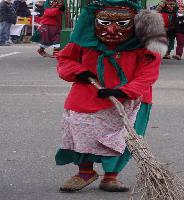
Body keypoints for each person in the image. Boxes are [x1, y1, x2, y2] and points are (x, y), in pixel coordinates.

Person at [55, 0, 167, 193]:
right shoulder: (83, 41)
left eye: (122, 24)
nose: (112, 30)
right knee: (81, 130)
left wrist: (124, 91)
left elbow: (147, 74)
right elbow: (66, 59)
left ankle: (111, 176)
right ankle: (85, 171)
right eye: (105, 23)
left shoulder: (145, 47)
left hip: (129, 99)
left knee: (122, 138)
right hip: (88, 94)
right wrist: (77, 70)